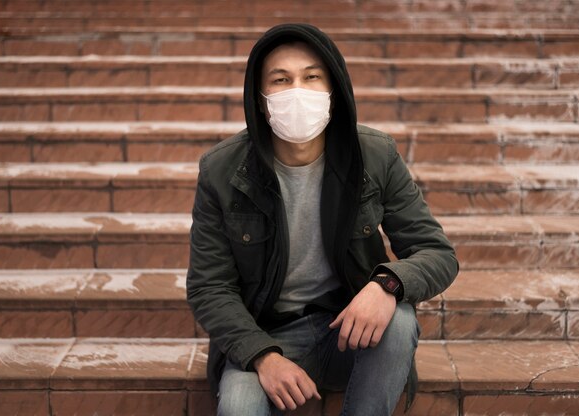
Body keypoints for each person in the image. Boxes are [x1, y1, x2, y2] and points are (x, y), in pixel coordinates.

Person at [186, 23, 459, 416]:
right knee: (239, 407)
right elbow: (208, 287)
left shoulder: (375, 155)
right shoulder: (222, 171)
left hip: (347, 328)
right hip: (266, 334)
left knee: (398, 320)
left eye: (312, 76)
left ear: (333, 88)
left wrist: (386, 284)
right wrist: (262, 356)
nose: (298, 90)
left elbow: (437, 253)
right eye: (281, 80)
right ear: (260, 99)